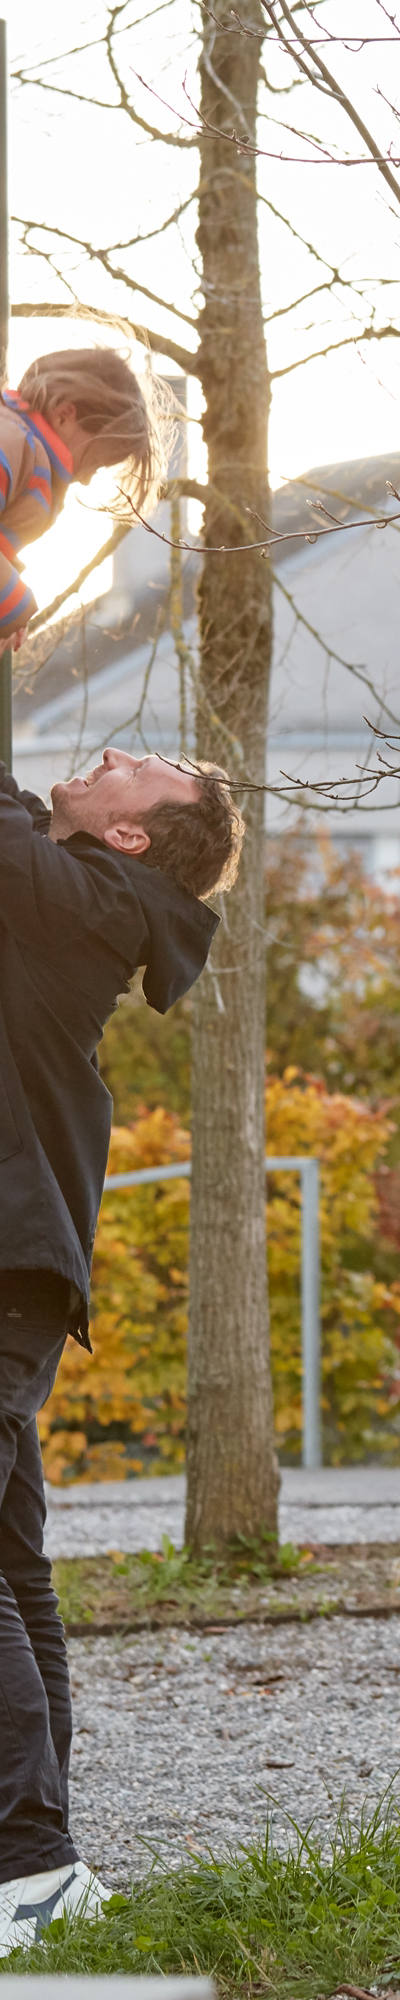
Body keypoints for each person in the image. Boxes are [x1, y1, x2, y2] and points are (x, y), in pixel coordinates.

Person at [0, 743, 245, 1957]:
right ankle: (40, 1870)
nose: (111, 750)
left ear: (136, 835)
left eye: (139, 765)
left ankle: (31, 1872)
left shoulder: (85, 897)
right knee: (12, 1560)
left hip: (3, 1262)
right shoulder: (80, 888)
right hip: (13, 1263)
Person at [0, 345, 164, 653]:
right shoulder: (11, 441)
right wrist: (13, 606)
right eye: (94, 462)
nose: (87, 479)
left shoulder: (25, 454)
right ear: (64, 415)